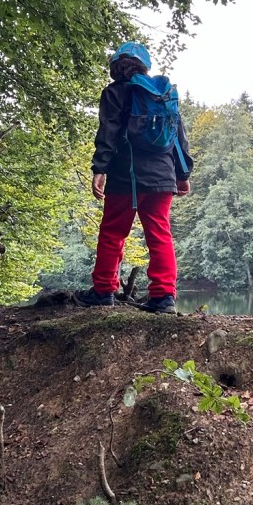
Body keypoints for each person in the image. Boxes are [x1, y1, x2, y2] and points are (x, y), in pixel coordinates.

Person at [76, 42, 192, 314]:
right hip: (162, 176)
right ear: (144, 67)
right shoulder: (162, 94)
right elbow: (178, 138)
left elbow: (108, 132)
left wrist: (99, 169)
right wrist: (183, 174)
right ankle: (163, 297)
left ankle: (104, 290)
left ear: (116, 67)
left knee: (113, 232)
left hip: (124, 175)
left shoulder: (114, 93)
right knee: (159, 233)